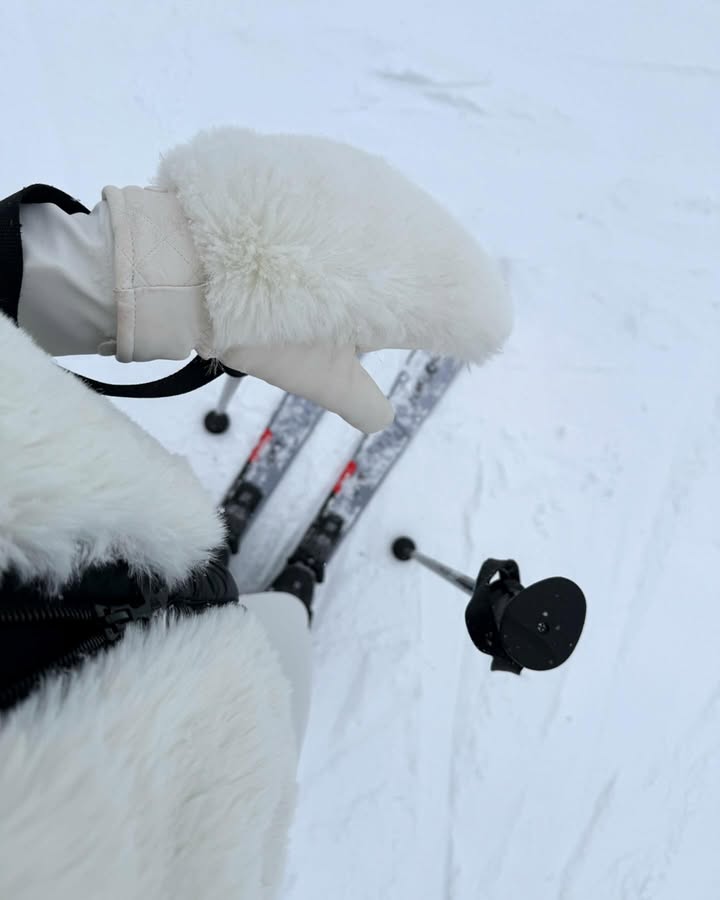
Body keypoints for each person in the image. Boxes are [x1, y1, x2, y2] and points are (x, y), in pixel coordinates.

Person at [0, 126, 511, 899]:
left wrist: (121, 276)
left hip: (143, 605)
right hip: (202, 789)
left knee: (263, 648)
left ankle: (235, 574)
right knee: (280, 638)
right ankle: (290, 590)